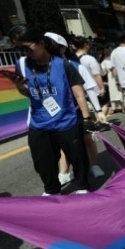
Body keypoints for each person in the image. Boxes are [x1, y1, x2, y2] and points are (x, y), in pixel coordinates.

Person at [6, 25, 92, 195]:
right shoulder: (22, 65)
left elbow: (79, 93)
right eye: (19, 48)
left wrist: (87, 119)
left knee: (77, 158)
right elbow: (27, 93)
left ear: (41, 43)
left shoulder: (63, 65)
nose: (24, 52)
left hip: (66, 122)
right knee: (42, 162)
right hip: (39, 123)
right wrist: (20, 87)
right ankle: (52, 190)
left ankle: (82, 186)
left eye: (27, 47)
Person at [45, 32, 106, 181]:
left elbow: (90, 89)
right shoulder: (41, 68)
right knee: (63, 144)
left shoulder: (75, 66)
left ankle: (94, 165)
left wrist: (98, 110)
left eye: (50, 46)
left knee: (87, 139)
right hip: (56, 114)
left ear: (63, 49)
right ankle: (64, 173)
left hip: (78, 111)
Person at [100, 43, 124, 115]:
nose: (108, 51)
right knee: (113, 92)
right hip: (110, 77)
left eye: (109, 49)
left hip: (119, 75)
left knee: (120, 91)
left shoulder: (117, 58)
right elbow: (102, 72)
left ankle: (123, 107)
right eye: (106, 50)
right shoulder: (104, 61)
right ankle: (114, 108)